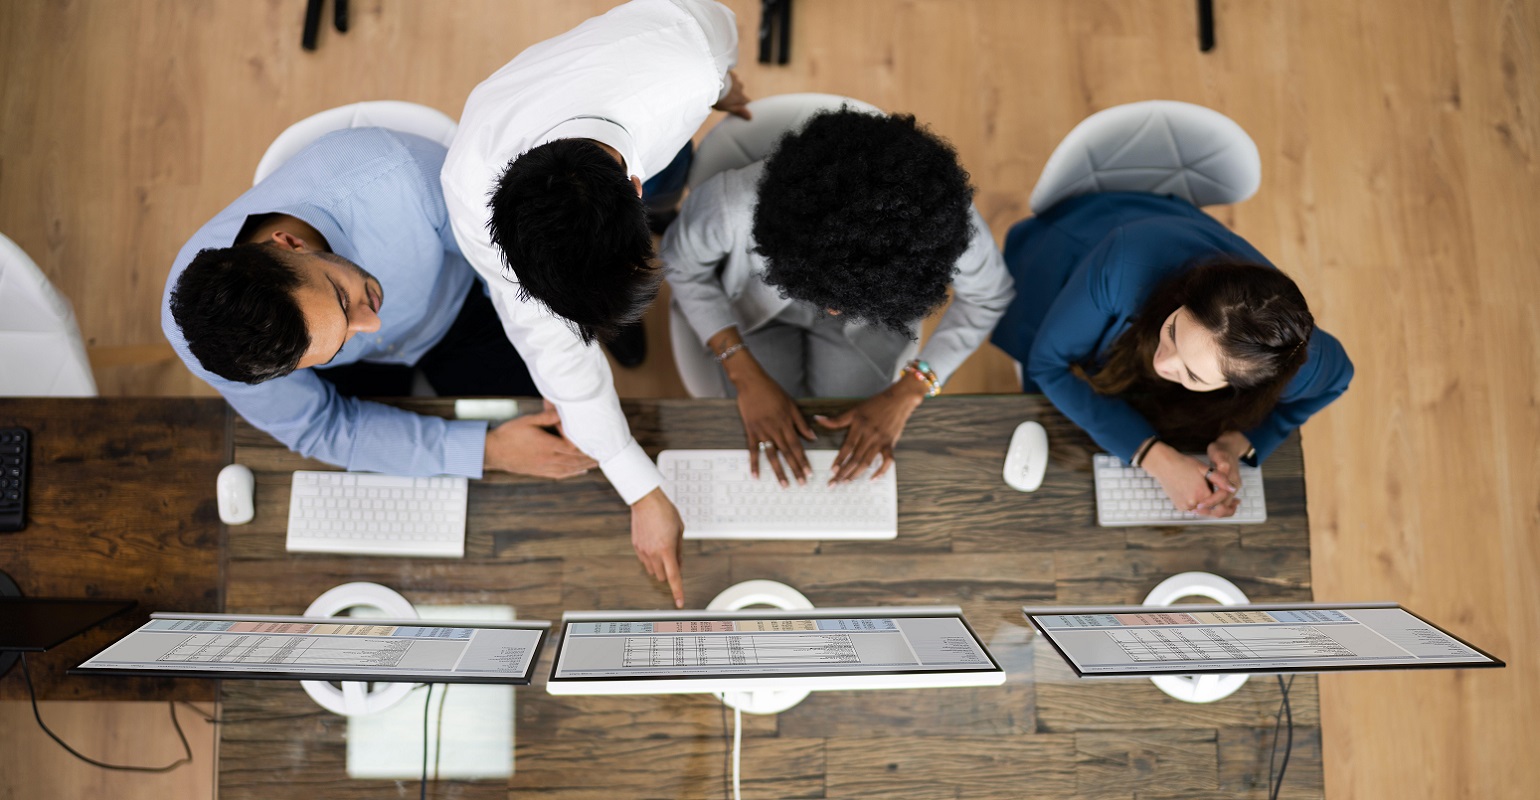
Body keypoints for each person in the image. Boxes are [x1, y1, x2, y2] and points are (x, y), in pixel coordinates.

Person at [441, 0, 749, 607]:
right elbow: (556, 357)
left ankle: (616, 292)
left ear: (631, 191)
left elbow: (721, 52)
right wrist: (640, 487)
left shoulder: (689, 55)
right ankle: (606, 313)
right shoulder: (470, 193)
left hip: (666, 121)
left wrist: (722, 89)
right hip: (613, 140)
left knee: (674, 185)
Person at [163, 127, 596, 482]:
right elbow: (321, 426)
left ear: (290, 244)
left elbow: (510, 265)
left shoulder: (399, 177)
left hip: (461, 307)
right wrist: (490, 451)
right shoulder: (215, 343)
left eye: (340, 296)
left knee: (568, 429)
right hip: (358, 376)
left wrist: (552, 359)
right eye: (335, 345)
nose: (371, 324)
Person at [662, 109, 1014, 485]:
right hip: (755, 310)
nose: (832, 311)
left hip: (871, 323)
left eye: (839, 304)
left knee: (840, 438)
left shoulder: (945, 227)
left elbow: (989, 297)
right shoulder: (733, 203)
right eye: (831, 301)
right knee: (763, 436)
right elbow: (680, 265)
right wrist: (742, 373)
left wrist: (912, 388)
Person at [990, 191, 1353, 517]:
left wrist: (1240, 440)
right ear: (1185, 297)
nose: (1161, 363)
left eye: (1194, 375)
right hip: (1078, 252)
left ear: (1245, 385)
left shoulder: (1301, 361)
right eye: (1174, 331)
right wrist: (1155, 458)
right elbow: (1047, 364)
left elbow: (1337, 381)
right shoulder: (1123, 266)